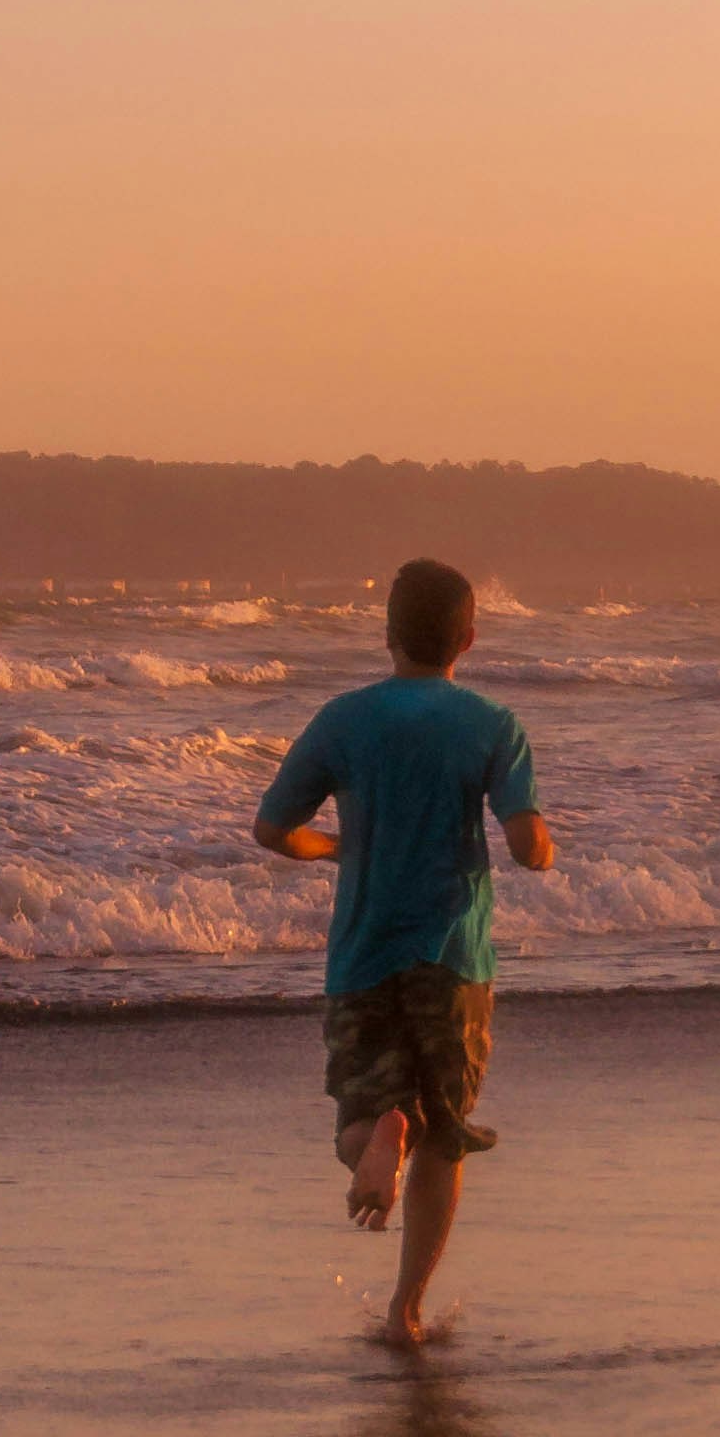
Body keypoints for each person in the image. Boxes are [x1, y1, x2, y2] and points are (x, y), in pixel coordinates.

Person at [253, 557, 555, 1345]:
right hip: (454, 957)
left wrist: (335, 849)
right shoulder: (492, 723)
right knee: (444, 1133)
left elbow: (272, 829)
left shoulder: (342, 720)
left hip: (361, 955)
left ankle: (380, 1135)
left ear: (386, 635)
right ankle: (406, 1309)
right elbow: (525, 847)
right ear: (469, 637)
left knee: (360, 1114)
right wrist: (543, 848)